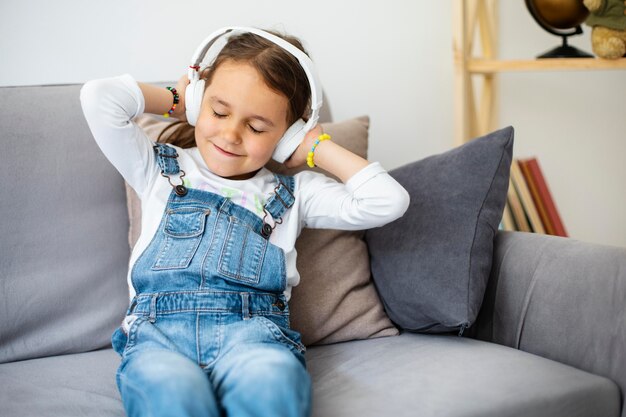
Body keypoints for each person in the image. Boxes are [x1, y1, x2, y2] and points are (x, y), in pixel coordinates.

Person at [80, 27, 409, 417]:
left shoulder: (295, 193)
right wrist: (177, 99)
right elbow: (99, 98)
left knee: (271, 386)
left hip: (255, 337)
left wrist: (314, 147)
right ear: (200, 101)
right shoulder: (159, 168)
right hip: (158, 338)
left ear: (286, 136)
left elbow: (388, 201)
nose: (231, 134)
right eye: (218, 111)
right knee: (171, 395)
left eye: (256, 127)